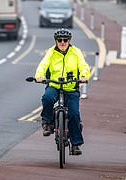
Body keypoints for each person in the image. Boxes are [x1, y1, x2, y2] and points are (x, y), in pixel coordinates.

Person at [34, 28, 90, 156]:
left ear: (69, 41)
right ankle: (47, 122)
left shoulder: (76, 52)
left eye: (65, 40)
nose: (63, 42)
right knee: (47, 98)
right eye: (60, 40)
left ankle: (75, 144)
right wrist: (39, 76)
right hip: (54, 85)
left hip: (70, 88)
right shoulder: (51, 52)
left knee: (74, 114)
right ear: (56, 41)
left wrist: (84, 76)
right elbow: (43, 65)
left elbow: (83, 65)